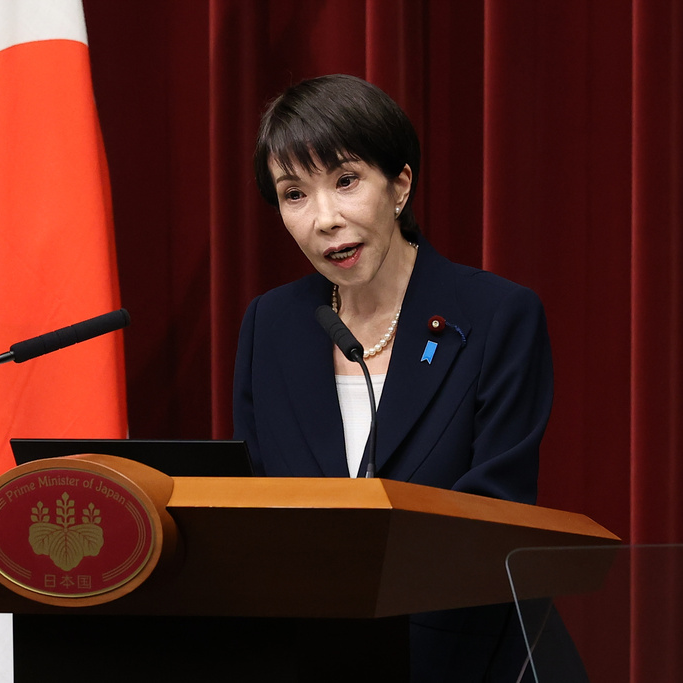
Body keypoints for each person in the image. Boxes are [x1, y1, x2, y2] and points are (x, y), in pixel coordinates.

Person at [233, 74, 556, 682]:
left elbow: (495, 512)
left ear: (400, 185)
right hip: (310, 658)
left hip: (461, 660)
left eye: (346, 181)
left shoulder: (495, 315)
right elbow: (253, 508)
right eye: (294, 194)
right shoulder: (271, 326)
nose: (325, 219)